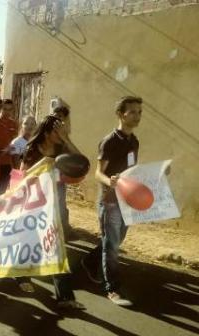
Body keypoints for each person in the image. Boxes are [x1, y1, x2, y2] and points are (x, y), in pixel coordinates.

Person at [81, 96, 143, 306]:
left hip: (127, 199)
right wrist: (110, 181)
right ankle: (112, 288)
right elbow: (98, 173)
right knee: (113, 244)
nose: (137, 116)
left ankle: (89, 261)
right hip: (110, 200)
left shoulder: (134, 141)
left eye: (139, 112)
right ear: (120, 114)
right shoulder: (110, 141)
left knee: (115, 240)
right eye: (132, 112)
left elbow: (132, 169)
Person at [20, 114, 85, 310]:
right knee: (27, 241)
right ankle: (20, 275)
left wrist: (67, 139)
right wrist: (43, 167)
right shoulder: (32, 149)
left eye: (63, 131)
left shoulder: (61, 149)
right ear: (47, 132)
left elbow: (81, 161)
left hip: (53, 206)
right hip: (32, 204)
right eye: (58, 131)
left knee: (56, 247)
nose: (61, 134)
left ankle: (65, 296)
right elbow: (23, 175)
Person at [0, 99, 18, 194]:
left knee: (3, 191)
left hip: (7, 163)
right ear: (0, 109)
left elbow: (16, 143)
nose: (7, 112)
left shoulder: (14, 124)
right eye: (5, 109)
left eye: (10, 109)